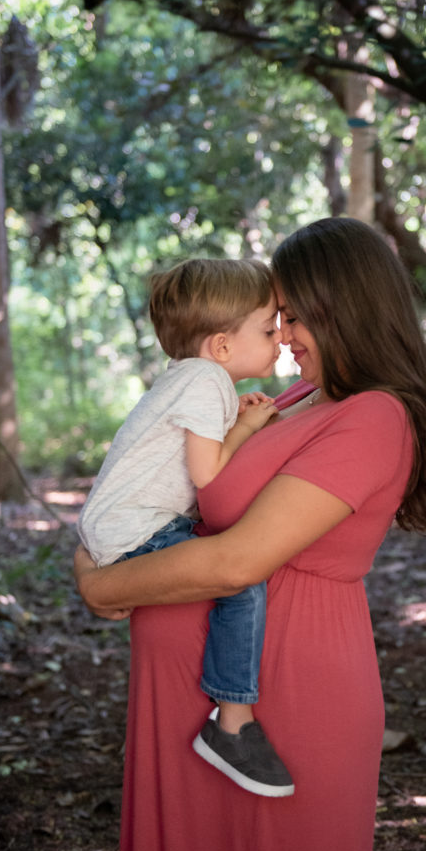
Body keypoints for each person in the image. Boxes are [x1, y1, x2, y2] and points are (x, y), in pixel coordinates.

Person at [74, 217, 426, 851]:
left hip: (285, 692)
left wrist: (96, 581)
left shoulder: (373, 416)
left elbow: (239, 561)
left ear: (342, 311)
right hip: (199, 697)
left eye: (293, 315)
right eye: (278, 316)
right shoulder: (302, 395)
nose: (282, 334)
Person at [77, 257, 294, 797]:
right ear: (221, 346)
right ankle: (233, 722)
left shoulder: (189, 378)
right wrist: (245, 426)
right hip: (135, 530)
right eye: (269, 329)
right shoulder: (206, 381)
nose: (280, 338)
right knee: (239, 584)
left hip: (119, 524)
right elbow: (210, 478)